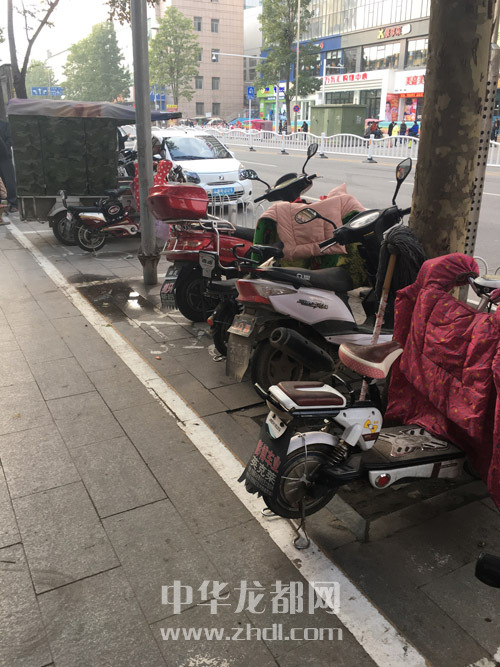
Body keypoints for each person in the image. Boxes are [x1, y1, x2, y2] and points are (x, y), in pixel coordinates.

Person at [0, 120, 18, 213]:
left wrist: (4, 149)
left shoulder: (5, 125)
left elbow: (10, 139)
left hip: (5, 158)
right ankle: (2, 204)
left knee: (9, 180)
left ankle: (13, 203)